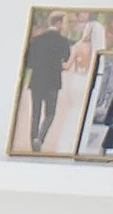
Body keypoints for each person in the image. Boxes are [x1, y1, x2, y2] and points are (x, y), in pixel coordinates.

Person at [18, 15, 76, 151]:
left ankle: (33, 140)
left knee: (36, 113)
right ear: (58, 23)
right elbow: (66, 58)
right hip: (53, 81)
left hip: (37, 81)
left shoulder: (35, 40)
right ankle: (40, 138)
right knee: (50, 113)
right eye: (63, 22)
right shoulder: (63, 41)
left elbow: (29, 62)